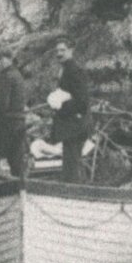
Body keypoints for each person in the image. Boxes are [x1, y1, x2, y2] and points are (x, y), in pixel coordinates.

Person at [0, 49, 29, 180]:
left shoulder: (5, 77)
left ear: (8, 59)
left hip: (6, 124)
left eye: (0, 60)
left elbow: (2, 104)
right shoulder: (17, 74)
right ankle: (20, 187)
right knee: (16, 160)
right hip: (20, 121)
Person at [48, 39, 91, 179]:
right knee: (70, 161)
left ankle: (73, 192)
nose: (59, 54)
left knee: (71, 163)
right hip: (70, 126)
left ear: (71, 50)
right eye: (57, 51)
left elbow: (82, 102)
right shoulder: (66, 69)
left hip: (75, 125)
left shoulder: (75, 71)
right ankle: (73, 188)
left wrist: (60, 107)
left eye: (63, 50)